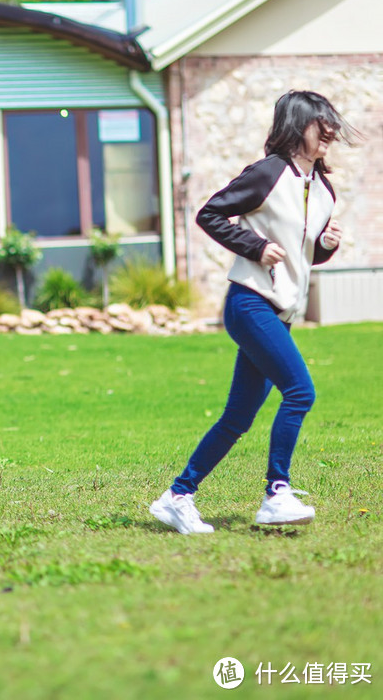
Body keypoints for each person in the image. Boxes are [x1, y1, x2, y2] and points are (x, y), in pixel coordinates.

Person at [150, 90, 356, 535]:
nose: (329, 132)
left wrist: (323, 247)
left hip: (280, 310)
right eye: (320, 123)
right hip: (249, 302)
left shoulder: (322, 190)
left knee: (238, 417)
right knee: (300, 392)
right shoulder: (268, 174)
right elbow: (211, 214)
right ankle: (276, 493)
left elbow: (301, 255)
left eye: (332, 124)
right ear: (296, 126)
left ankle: (177, 497)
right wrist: (254, 246)